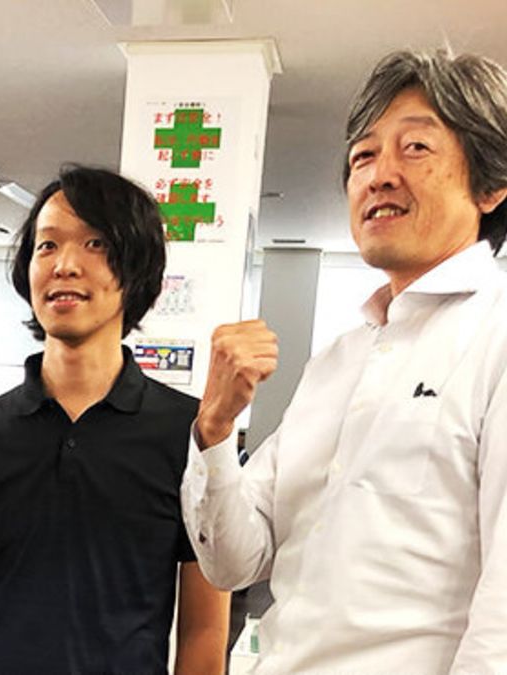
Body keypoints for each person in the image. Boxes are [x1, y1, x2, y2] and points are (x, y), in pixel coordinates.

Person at [184, 49, 507, 673]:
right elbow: (234, 562)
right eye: (363, 156)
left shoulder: (496, 336)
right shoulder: (338, 359)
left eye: (415, 148)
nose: (379, 175)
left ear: (491, 185)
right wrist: (216, 430)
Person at [0, 165, 230, 674]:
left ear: (137, 268)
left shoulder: (188, 432)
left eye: (95, 244)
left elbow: (205, 630)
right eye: (47, 246)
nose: (65, 265)